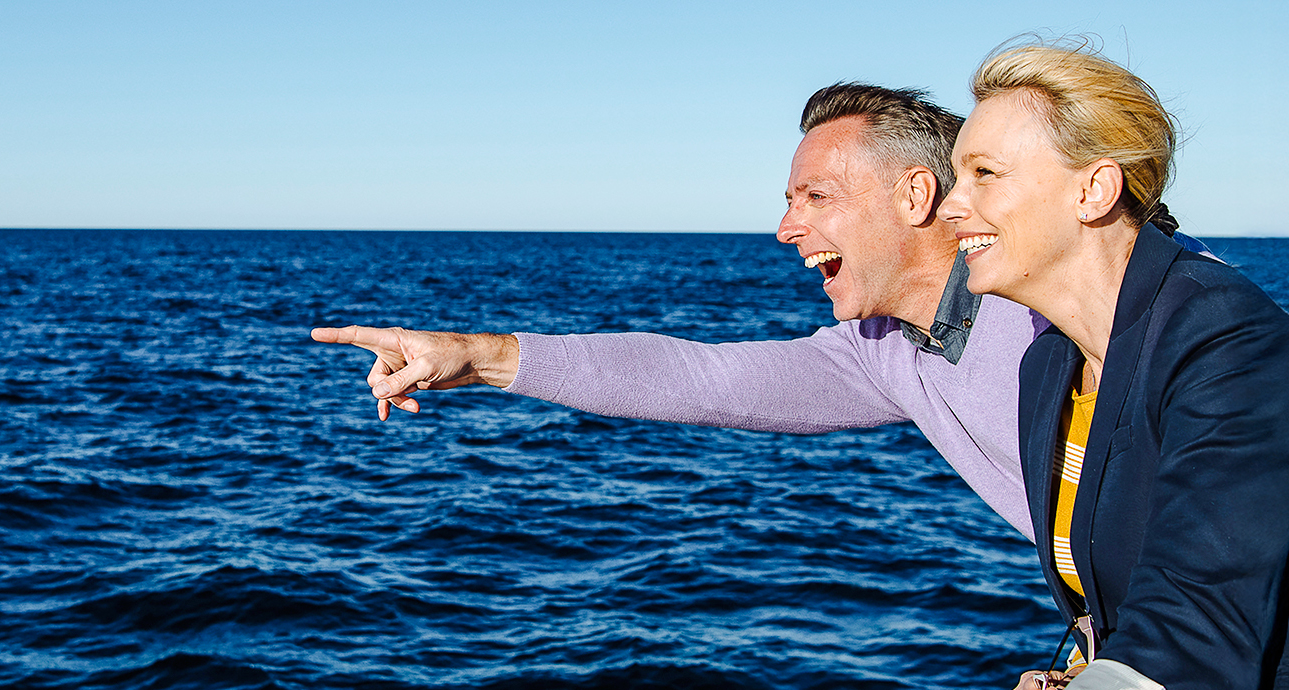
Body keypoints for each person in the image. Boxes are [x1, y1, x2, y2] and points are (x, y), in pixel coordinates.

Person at [841, 42, 1289, 690]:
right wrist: (1084, 670)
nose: (951, 206)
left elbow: (1199, 635)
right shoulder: (1056, 366)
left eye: (986, 175)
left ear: (1094, 189)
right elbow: (1140, 576)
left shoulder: (1233, 346)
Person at [313, 83, 1053, 538]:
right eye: (788, 201)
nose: (786, 228)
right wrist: (475, 356)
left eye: (816, 197)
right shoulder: (881, 351)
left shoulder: (1053, 305)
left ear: (917, 196)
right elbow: (701, 378)